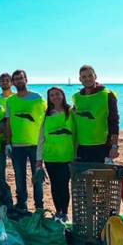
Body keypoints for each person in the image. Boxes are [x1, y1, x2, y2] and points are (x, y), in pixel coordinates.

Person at [5, 69, 47, 213]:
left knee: (37, 177)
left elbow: (48, 117)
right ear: (13, 82)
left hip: (36, 145)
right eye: (15, 79)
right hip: (17, 145)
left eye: (20, 78)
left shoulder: (38, 98)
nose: (18, 81)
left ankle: (39, 206)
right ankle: (22, 204)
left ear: (26, 79)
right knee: (19, 176)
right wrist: (8, 143)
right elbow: (8, 123)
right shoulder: (10, 101)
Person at [35, 87, 75, 222]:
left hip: (67, 156)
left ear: (63, 95)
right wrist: (39, 159)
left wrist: (77, 153)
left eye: (57, 94)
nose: (55, 97)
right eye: (51, 95)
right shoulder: (46, 115)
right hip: (50, 156)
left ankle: (65, 211)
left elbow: (76, 135)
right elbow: (41, 138)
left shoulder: (71, 112)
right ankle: (58, 211)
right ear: (49, 98)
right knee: (54, 185)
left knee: (63, 184)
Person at [72, 65, 119, 162]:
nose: (87, 79)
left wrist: (114, 146)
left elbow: (114, 121)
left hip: (102, 145)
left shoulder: (107, 94)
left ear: (95, 76)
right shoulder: (76, 97)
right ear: (80, 79)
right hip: (82, 146)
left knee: (102, 176)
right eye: (84, 77)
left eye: (90, 76)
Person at [0, 73, 14, 190]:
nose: (4, 82)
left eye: (7, 80)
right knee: (0, 167)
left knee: (18, 168)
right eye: (2, 80)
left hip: (15, 138)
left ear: (11, 82)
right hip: (0, 138)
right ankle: (2, 191)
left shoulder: (16, 98)